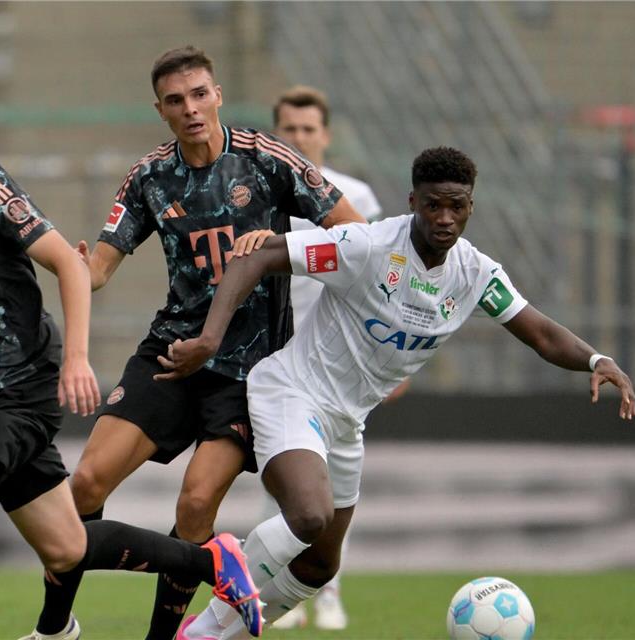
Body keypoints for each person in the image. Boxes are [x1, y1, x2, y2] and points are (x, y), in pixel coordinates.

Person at [157, 146, 635, 640]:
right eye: (433, 205)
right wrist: (210, 338)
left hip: (348, 422)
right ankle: (203, 629)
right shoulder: (366, 246)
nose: (444, 218)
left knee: (320, 565)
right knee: (309, 515)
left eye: (456, 206)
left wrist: (596, 360)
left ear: (471, 206)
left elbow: (542, 334)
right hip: (294, 393)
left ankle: (214, 633)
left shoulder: (475, 275)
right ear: (413, 202)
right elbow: (259, 256)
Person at [0, 69, 263, 640]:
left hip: (23, 390)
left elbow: (70, 265)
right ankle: (211, 561)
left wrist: (77, 359)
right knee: (68, 546)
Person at [33, 46, 367, 640]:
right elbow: (99, 269)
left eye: (198, 95)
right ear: (160, 110)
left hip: (251, 371)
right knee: (84, 484)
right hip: (173, 354)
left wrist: (281, 248)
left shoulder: (268, 160)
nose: (189, 108)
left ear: (217, 96)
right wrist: (67, 262)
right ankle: (56, 628)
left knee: (194, 505)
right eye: (175, 100)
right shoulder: (150, 176)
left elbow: (356, 235)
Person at [270, 85, 388, 631]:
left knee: (337, 486)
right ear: (276, 134)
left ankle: (327, 589)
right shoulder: (264, 193)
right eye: (289, 129)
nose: (299, 138)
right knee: (286, 479)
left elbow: (383, 279)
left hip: (343, 365)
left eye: (308, 129)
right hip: (279, 357)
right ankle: (289, 591)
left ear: (326, 135)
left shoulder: (356, 197)